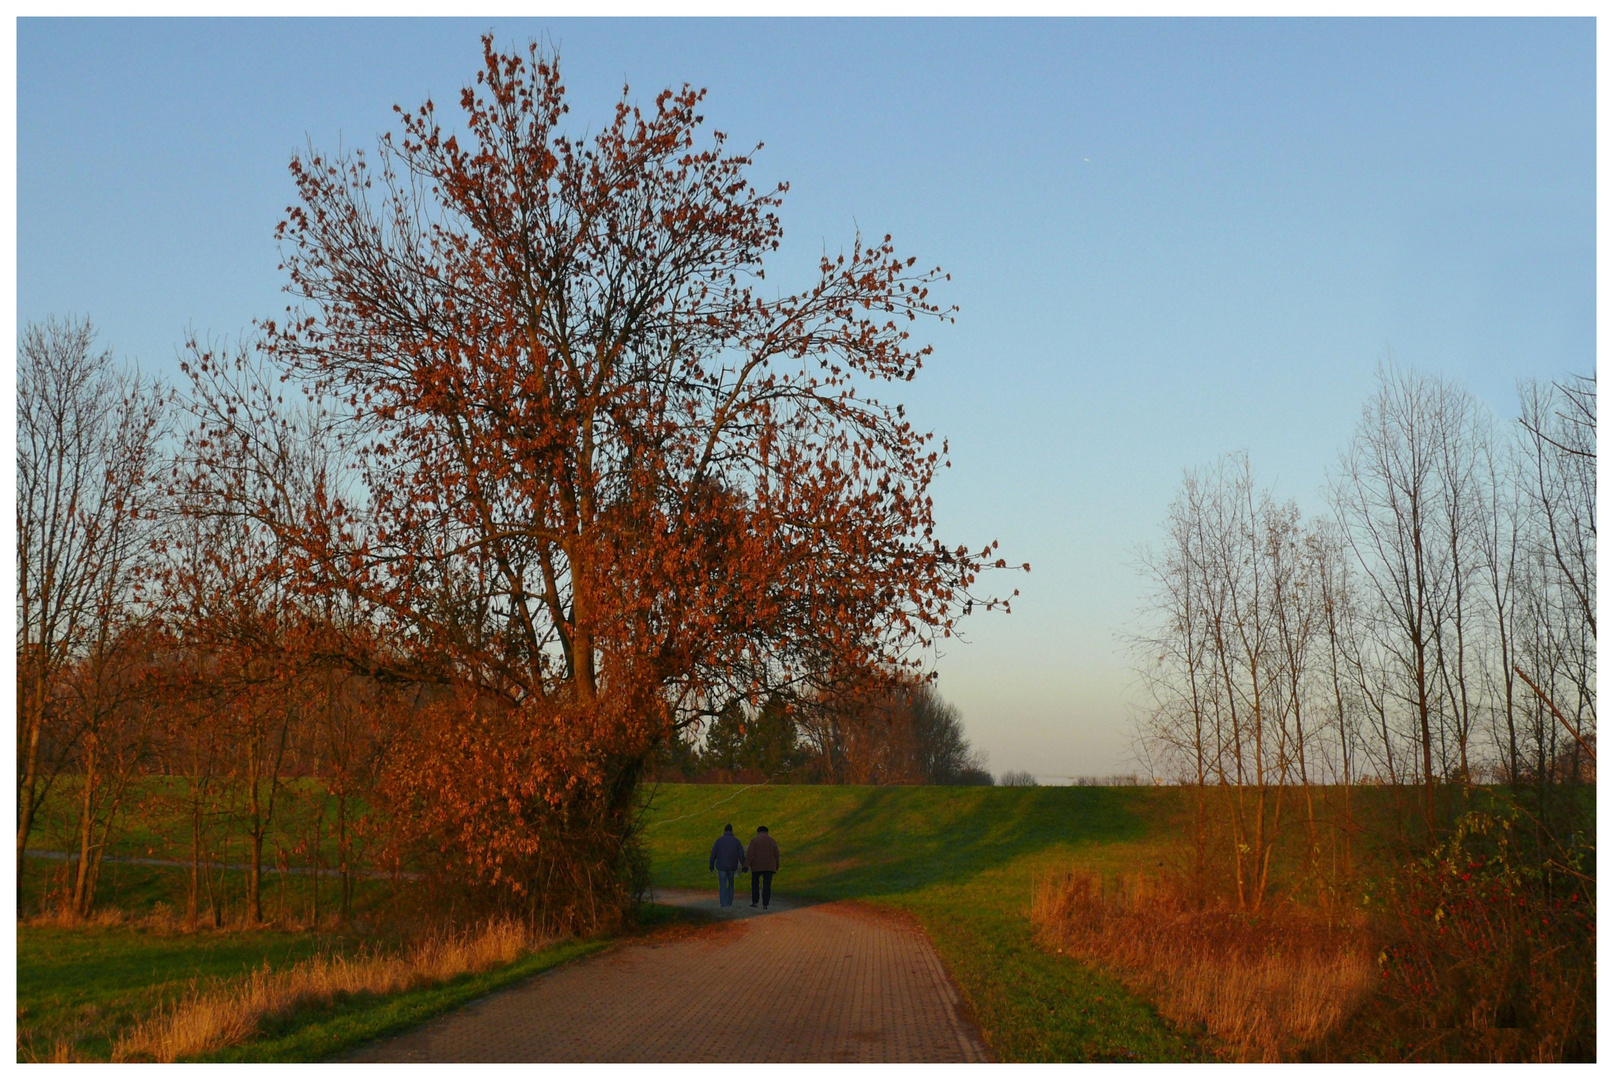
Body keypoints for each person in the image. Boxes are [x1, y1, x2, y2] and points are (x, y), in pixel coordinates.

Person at [708, 823, 746, 908]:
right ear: (732, 831)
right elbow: (741, 855)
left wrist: (711, 864)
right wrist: (744, 865)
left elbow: (713, 854)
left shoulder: (719, 841)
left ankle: (723, 904)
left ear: (724, 831)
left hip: (721, 866)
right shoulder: (736, 841)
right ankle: (729, 902)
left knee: (722, 885)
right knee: (731, 884)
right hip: (732, 866)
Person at [745, 825, 780, 909]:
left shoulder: (754, 840)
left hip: (756, 865)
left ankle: (755, 902)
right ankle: (765, 904)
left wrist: (746, 865)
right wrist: (776, 865)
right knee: (767, 885)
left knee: (755, 884)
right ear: (767, 832)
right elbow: (776, 854)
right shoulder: (772, 841)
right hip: (769, 866)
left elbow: (750, 854)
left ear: (758, 832)